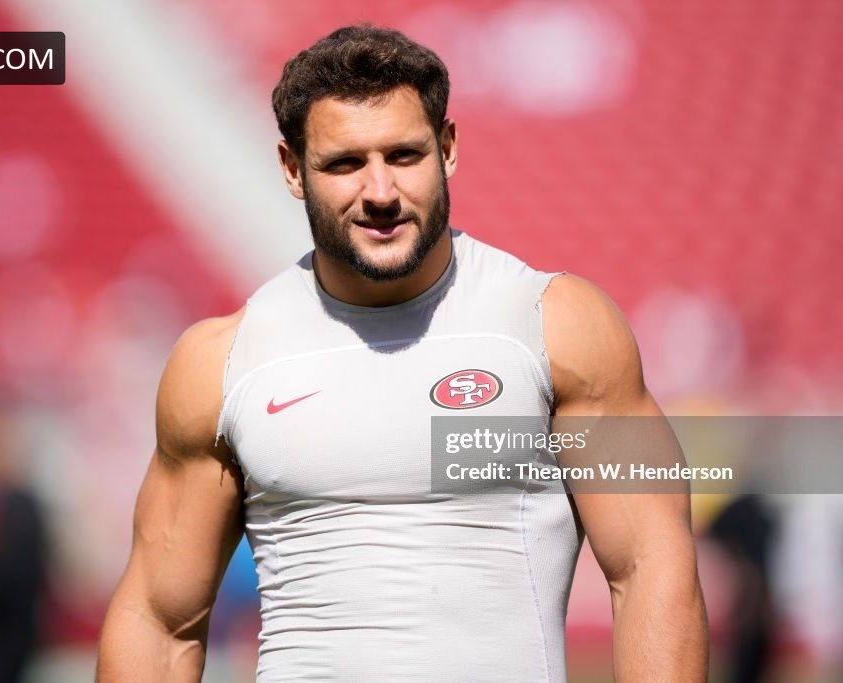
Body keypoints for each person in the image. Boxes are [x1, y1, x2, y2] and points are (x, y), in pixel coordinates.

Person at [96, 24, 708, 682]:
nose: (381, 192)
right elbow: (158, 619)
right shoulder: (220, 363)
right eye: (345, 164)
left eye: (404, 155)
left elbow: (652, 564)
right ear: (292, 169)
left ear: (447, 148)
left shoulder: (560, 325)